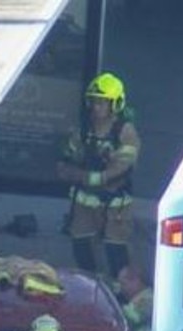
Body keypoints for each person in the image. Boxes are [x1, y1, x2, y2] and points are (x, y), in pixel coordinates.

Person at [58, 72, 142, 278]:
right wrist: (73, 171)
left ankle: (120, 294)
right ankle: (91, 285)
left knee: (116, 250)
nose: (97, 107)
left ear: (116, 104)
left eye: (103, 103)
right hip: (84, 202)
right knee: (81, 245)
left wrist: (97, 177)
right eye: (94, 102)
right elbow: (67, 161)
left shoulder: (125, 131)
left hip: (116, 204)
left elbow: (123, 165)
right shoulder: (84, 130)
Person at [115, 263, 153, 331]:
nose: (121, 289)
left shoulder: (148, 299)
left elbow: (128, 319)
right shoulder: (137, 300)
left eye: (123, 284)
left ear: (136, 280)